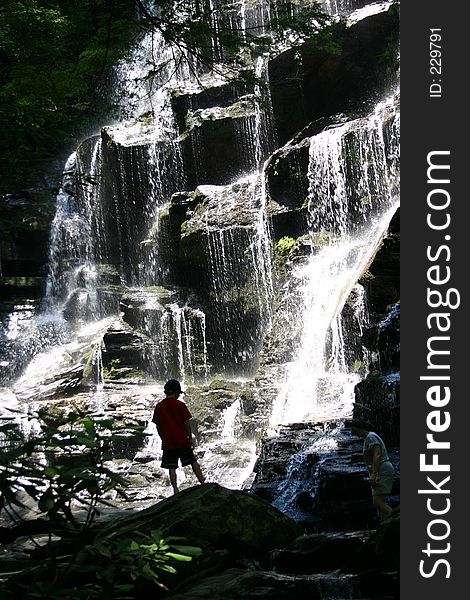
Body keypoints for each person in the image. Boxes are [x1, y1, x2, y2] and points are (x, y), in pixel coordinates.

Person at [152, 379, 205, 494]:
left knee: (172, 467)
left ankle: (175, 489)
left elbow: (158, 426)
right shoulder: (180, 405)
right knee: (192, 461)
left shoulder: (159, 406)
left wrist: (163, 438)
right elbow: (186, 423)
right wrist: (189, 438)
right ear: (176, 392)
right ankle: (202, 483)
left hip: (168, 442)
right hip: (182, 440)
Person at [347, 419, 395, 521]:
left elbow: (377, 454)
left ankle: (397, 522)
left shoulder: (371, 437)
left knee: (378, 502)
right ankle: (386, 525)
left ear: (360, 428)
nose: (355, 434)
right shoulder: (368, 438)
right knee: (379, 504)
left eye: (355, 431)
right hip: (379, 471)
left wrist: (374, 474)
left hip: (382, 470)